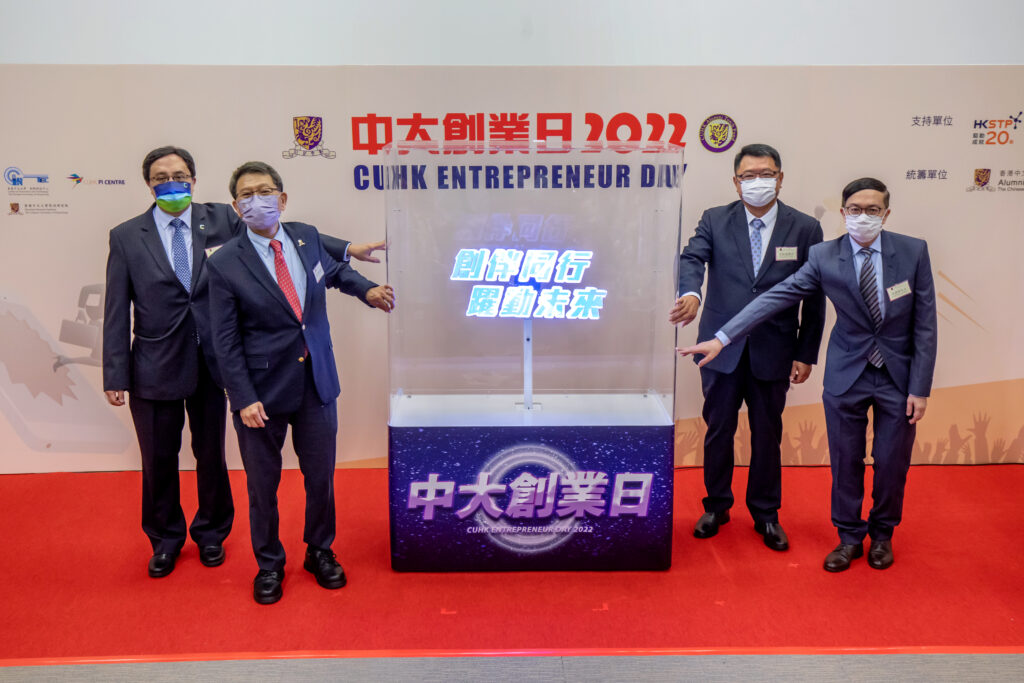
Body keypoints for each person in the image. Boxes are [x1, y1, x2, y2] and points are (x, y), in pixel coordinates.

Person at [103, 146, 384, 579]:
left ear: (195, 180)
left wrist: (348, 249)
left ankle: (213, 533)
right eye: (161, 177)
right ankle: (166, 540)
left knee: (211, 453)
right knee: (159, 457)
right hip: (159, 360)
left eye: (180, 175)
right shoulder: (126, 235)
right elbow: (117, 306)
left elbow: (294, 236)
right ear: (148, 184)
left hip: (216, 363)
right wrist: (115, 371)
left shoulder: (220, 217)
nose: (171, 183)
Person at [678, 177, 937, 572]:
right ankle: (849, 537)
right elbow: (774, 298)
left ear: (886, 213)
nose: (863, 217)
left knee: (891, 460)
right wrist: (722, 337)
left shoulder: (913, 251)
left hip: (897, 377)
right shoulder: (824, 256)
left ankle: (882, 534)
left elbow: (925, 325)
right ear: (843, 213)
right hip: (846, 373)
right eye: (855, 210)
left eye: (872, 210)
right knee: (845, 460)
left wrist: (920, 387)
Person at [207, 161, 394, 604]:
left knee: (320, 477)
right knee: (262, 485)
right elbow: (225, 340)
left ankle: (319, 550)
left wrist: (367, 290)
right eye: (247, 194)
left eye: (265, 191)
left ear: (283, 199)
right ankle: (269, 563)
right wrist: (242, 397)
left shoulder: (305, 236)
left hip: (316, 383)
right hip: (261, 395)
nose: (258, 200)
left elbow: (334, 271)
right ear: (237, 206)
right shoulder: (225, 263)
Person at [669, 143, 825, 552]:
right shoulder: (715, 220)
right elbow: (692, 257)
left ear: (780, 177)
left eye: (766, 174)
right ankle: (717, 506)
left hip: (774, 349)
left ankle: (766, 513)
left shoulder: (805, 228)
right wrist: (691, 293)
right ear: (736, 182)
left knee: (767, 434)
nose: (758, 182)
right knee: (718, 429)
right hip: (719, 348)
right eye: (749, 176)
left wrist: (805, 352)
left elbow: (815, 295)